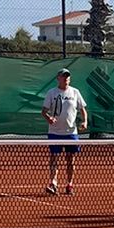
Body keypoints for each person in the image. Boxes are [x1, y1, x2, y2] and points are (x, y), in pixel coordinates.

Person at [42, 65, 88, 194]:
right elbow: (44, 111)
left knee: (71, 159)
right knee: (54, 158)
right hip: (55, 132)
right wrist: (49, 118)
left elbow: (82, 109)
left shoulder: (75, 92)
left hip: (71, 133)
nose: (66, 79)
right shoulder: (52, 93)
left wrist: (85, 121)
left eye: (68, 77)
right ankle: (53, 183)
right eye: (64, 77)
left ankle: (69, 184)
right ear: (58, 78)